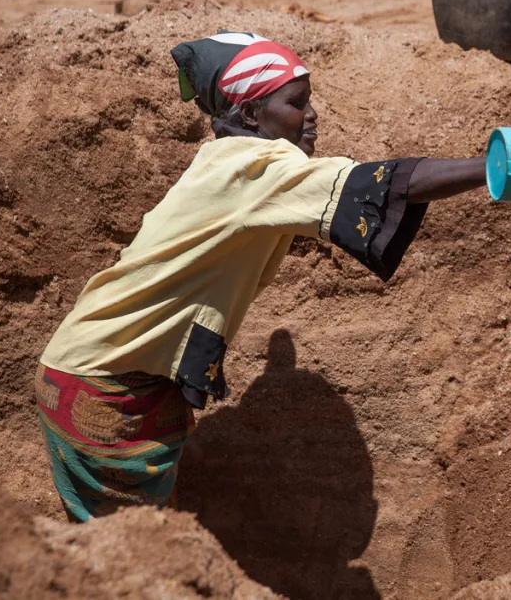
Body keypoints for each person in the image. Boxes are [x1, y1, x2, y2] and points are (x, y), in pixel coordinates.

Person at [34, 32, 488, 521]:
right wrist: (494, 165)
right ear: (251, 115)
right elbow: (382, 183)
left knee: (134, 547)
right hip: (105, 391)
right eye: (297, 102)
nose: (311, 114)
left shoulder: (224, 164)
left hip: (97, 374)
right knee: (127, 560)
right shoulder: (256, 168)